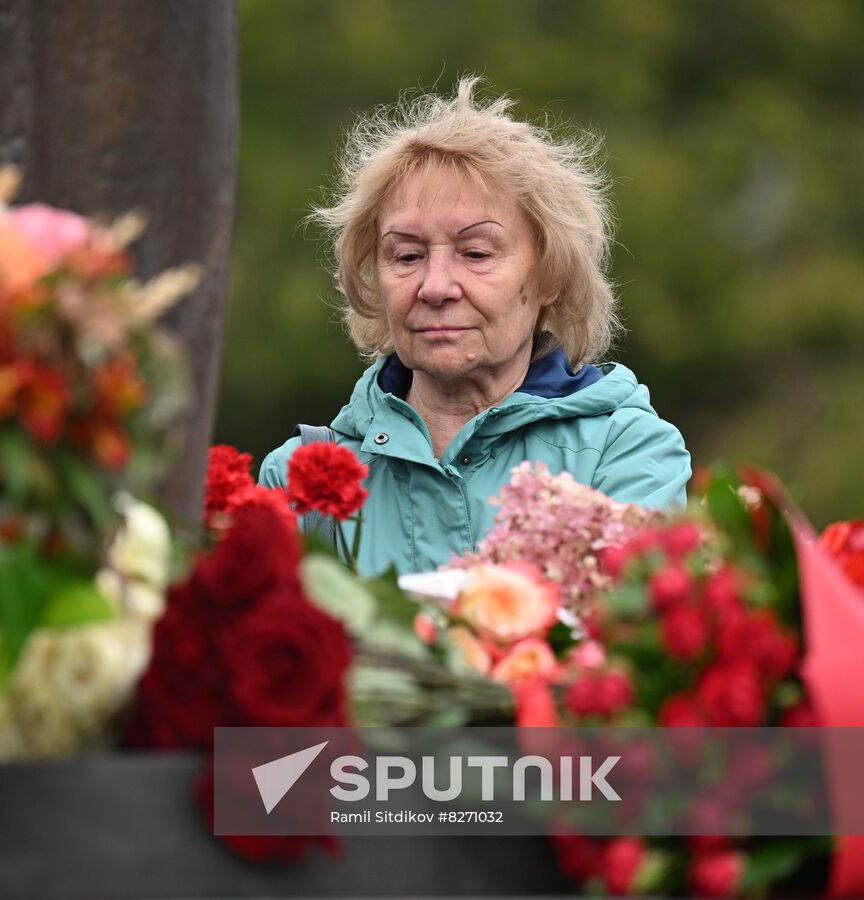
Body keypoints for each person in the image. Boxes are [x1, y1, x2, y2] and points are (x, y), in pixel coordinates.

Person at [259, 78, 691, 575]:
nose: (435, 286)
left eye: (476, 253)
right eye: (407, 255)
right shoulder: (303, 479)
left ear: (550, 274)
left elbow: (625, 641)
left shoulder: (624, 454)